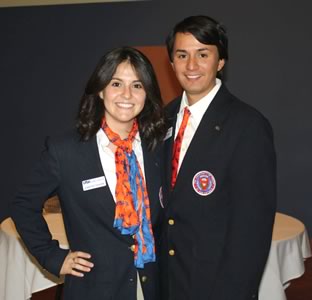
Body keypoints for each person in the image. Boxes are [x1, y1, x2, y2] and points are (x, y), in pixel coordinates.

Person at [11, 46, 166, 300]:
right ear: (101, 89)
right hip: (95, 289)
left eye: (137, 85)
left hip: (150, 287)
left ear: (147, 93)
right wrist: (53, 257)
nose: (127, 94)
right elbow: (22, 205)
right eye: (117, 83)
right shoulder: (66, 151)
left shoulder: (157, 147)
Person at [161, 15, 277, 300]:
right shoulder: (161, 118)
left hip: (216, 285)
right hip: (166, 281)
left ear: (220, 62)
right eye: (182, 55)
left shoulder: (247, 125)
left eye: (203, 54)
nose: (191, 66)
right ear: (172, 62)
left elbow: (252, 228)